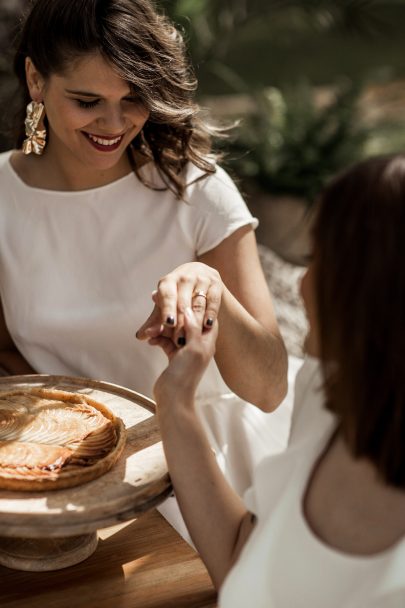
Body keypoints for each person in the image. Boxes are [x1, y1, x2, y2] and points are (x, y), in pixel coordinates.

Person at [0, 0, 289, 522]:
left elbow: (269, 390)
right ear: (36, 81)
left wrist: (212, 289)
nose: (115, 123)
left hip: (214, 465)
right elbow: (5, 355)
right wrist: (78, 444)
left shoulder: (196, 188)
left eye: (135, 99)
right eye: (87, 101)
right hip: (65, 472)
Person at [151, 153, 405, 607]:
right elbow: (238, 560)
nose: (302, 285)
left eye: (321, 262)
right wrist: (176, 400)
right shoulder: (327, 393)